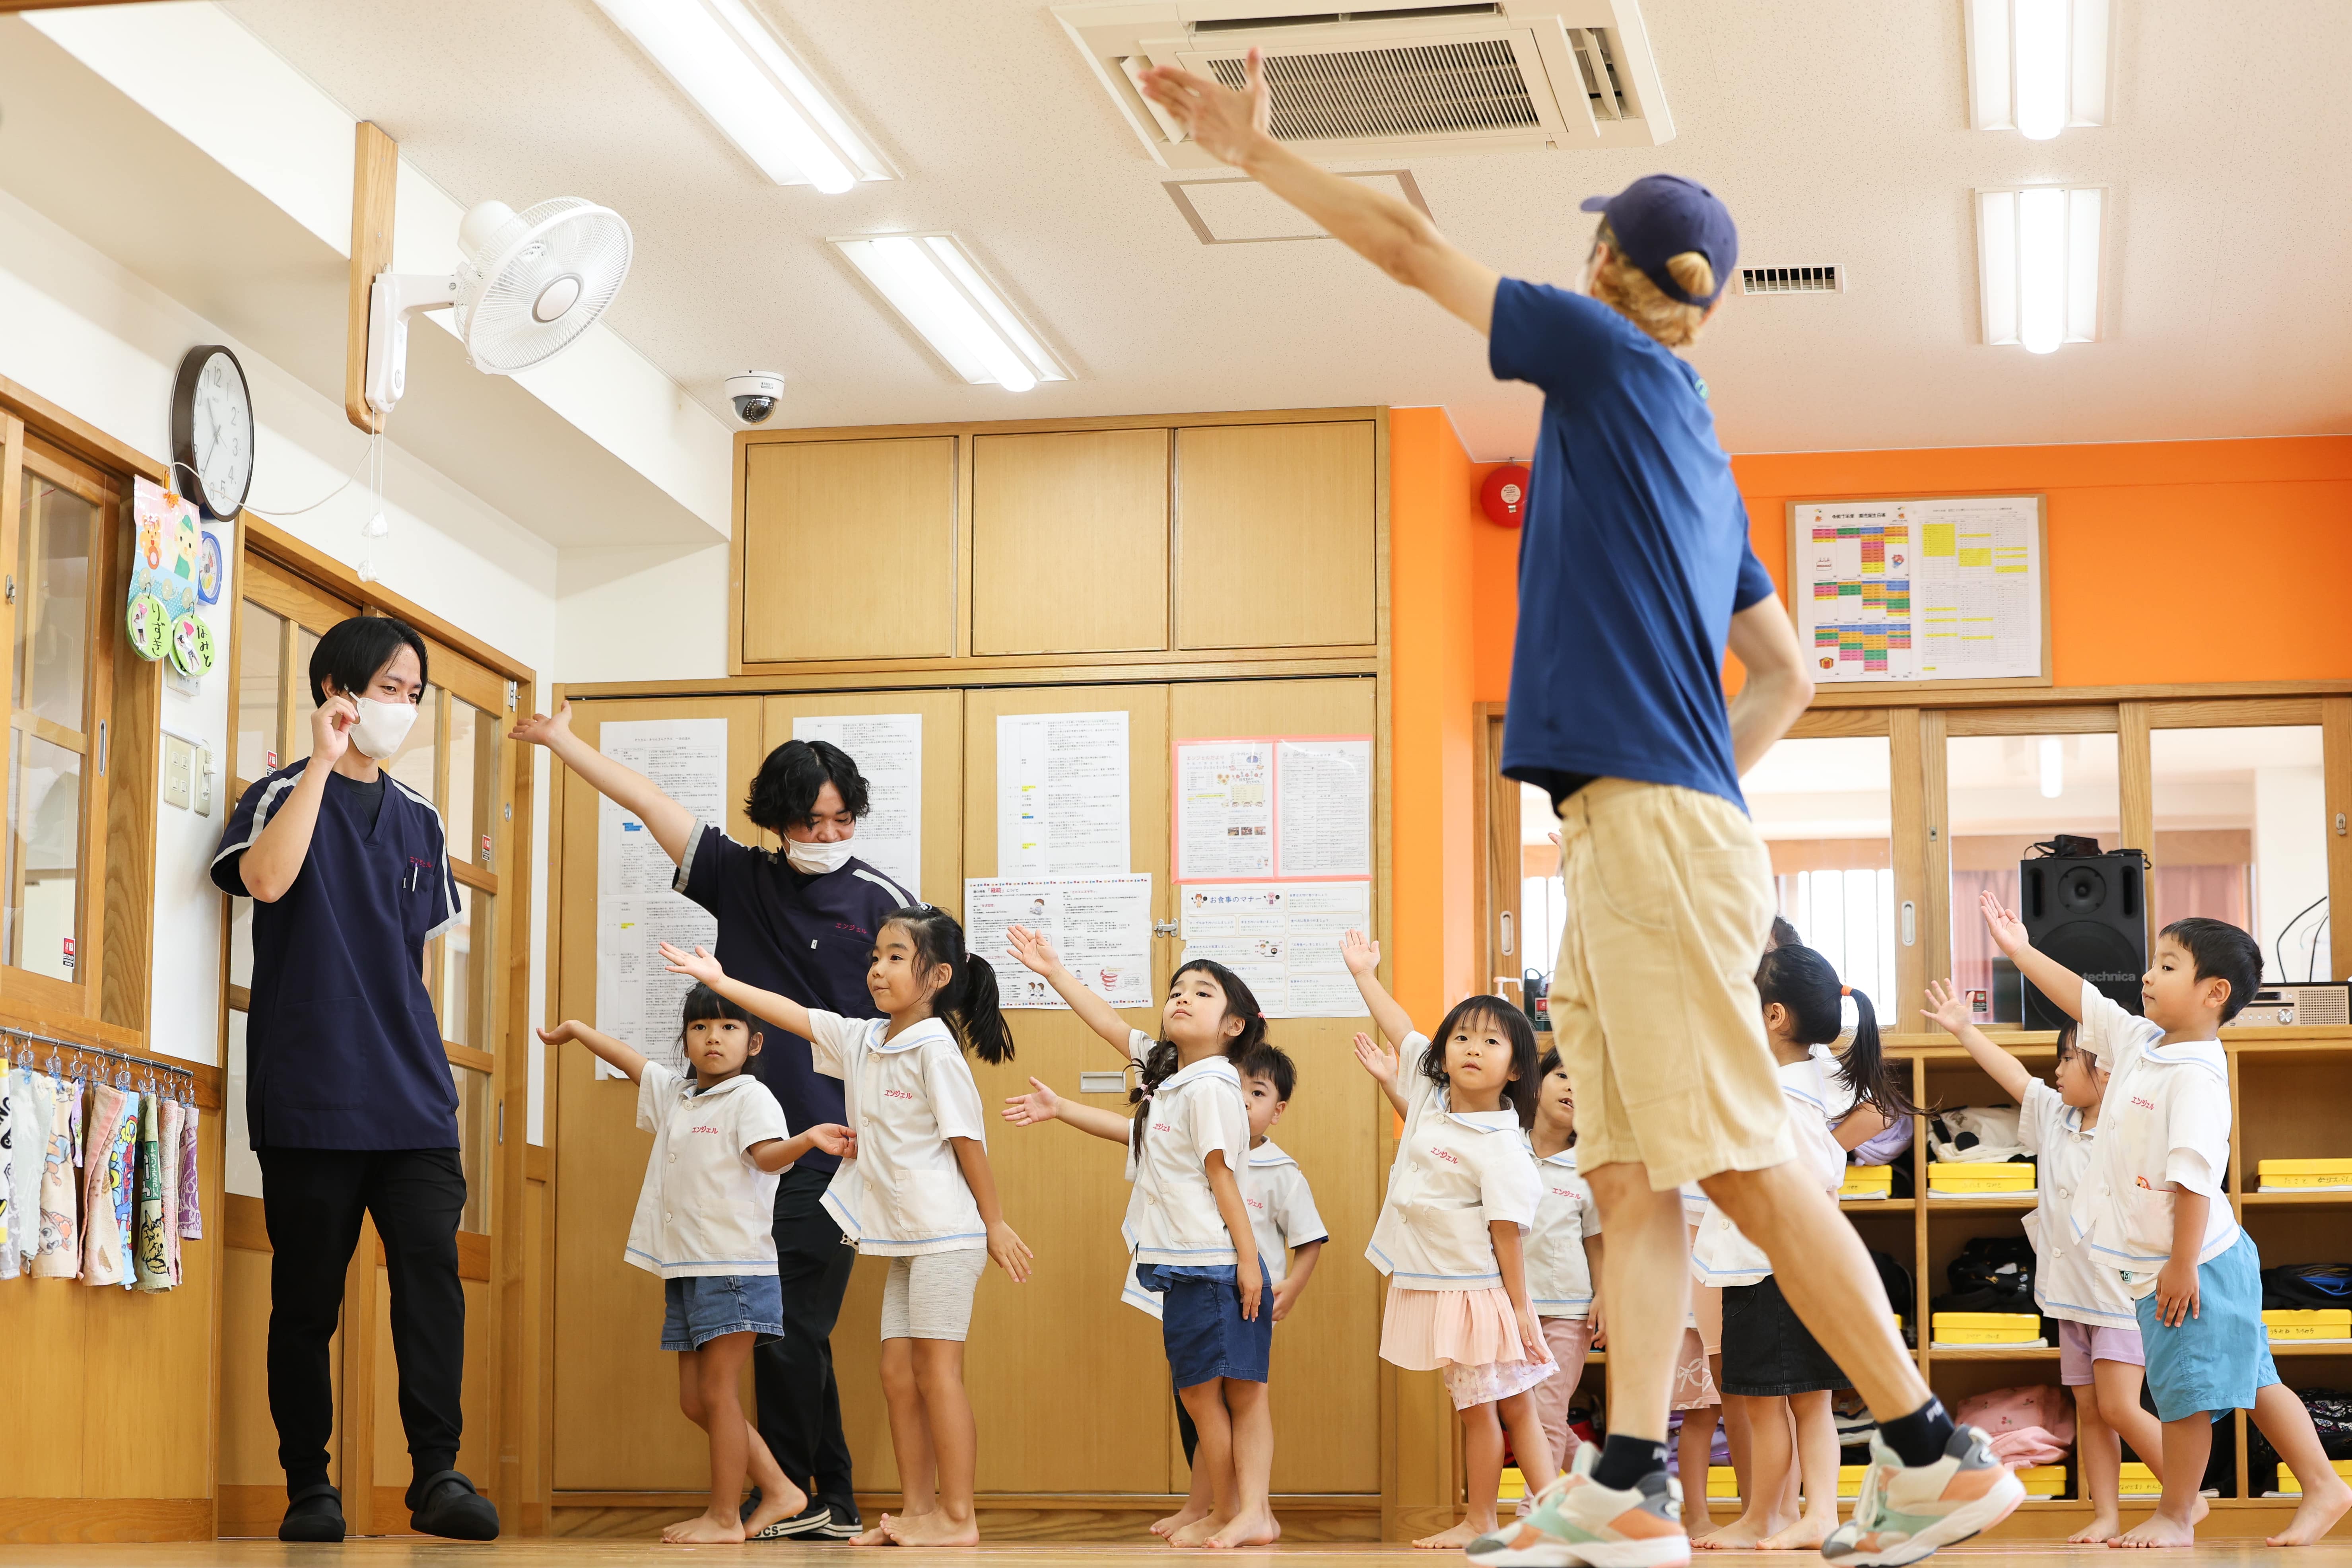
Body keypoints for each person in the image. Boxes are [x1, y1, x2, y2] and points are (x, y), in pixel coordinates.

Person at [1134, 51, 2016, 1568]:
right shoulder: (1700, 459)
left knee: (1737, 1151)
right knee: (1620, 1163)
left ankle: (1930, 1450)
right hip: (1628, 826)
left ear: (1607, 269)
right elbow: (1788, 676)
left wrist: (1247, 152)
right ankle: (1624, 1477)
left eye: (1588, 247)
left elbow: (1413, 252)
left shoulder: (1607, 362)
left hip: (1654, 826)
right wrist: (1681, 777)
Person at [510, 703, 910, 1537]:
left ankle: (804, 1494)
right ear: (777, 822)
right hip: (741, 1158)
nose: (827, 832)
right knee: (785, 1329)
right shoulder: (738, 876)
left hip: (831, 1153)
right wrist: (559, 742)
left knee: (791, 1325)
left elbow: (920, 1021)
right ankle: (825, 1496)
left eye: (842, 818)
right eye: (810, 820)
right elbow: (650, 801)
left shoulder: (882, 901)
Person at [212, 614, 499, 1544]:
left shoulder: (420, 818)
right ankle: (311, 1486)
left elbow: (409, 962)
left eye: (413, 693)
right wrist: (322, 762)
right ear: (337, 690)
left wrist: (427, 1070)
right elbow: (265, 880)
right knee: (306, 1297)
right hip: (311, 1089)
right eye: (387, 689)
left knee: (431, 1277)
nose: (402, 707)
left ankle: (437, 1474)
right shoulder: (281, 793)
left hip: (412, 1095)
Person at [1978, 894, 2352, 1549]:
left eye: (2168, 965)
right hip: (2174, 1261)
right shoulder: (2141, 1040)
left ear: (2215, 992)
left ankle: (2179, 1513)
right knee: (2254, 1380)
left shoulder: (2198, 1075)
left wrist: (2181, 1264)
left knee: (2185, 1393)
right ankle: (2324, 1484)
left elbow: (2194, 1175)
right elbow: (2085, 998)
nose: (2148, 975)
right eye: (2153, 962)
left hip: (2194, 1262)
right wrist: (2020, 949)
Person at [662, 907, 1030, 1547]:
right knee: (896, 1372)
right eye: (876, 956)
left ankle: (958, 1515)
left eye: (895, 957)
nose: (878, 968)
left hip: (948, 1235)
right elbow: (789, 1013)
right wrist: (719, 980)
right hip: (902, 1240)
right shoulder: (865, 1039)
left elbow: (969, 1141)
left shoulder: (936, 1049)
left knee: (936, 1371)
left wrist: (994, 1222)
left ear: (938, 975)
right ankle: (917, 1511)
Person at [999, 925, 1279, 1549]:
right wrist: (1055, 971)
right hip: (1191, 1265)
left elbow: (1222, 1177)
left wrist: (1248, 1262)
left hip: (1212, 1265)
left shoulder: (1208, 1083)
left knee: (1217, 1399)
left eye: (1201, 993)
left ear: (1232, 1024)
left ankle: (1241, 1510)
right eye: (1176, 989)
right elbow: (1110, 1028)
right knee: (1217, 1397)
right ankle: (1232, 1509)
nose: (1181, 997)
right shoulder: (1174, 1076)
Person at [538, 989, 853, 1543]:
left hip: (734, 1267)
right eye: (701, 1026)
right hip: (686, 1267)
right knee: (695, 1399)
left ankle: (726, 1515)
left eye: (729, 1026)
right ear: (685, 1039)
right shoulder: (679, 1095)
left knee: (717, 1392)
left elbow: (767, 1157)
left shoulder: (751, 1097)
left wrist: (806, 1139)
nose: (713, 1036)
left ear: (753, 1042)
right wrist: (578, 1029)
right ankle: (781, 1488)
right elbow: (632, 1061)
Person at [1917, 975, 2193, 1544]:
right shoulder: (2053, 1117)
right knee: (2090, 1409)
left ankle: (2184, 1500)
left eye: (2069, 1059)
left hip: (2119, 1293)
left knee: (2118, 1406)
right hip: (2069, 1293)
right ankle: (2106, 1513)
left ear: (2108, 1072)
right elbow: (2013, 1076)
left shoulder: (2130, 1125)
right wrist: (1965, 1028)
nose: (2056, 1071)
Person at [1343, 930, 1556, 1551]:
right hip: (1447, 1284)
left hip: (1476, 1292)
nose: (1471, 1047)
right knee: (1510, 1403)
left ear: (1515, 1068)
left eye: (1490, 1041)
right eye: (1461, 1036)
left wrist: (1518, 1308)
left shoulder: (1501, 1145)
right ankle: (1548, 1510)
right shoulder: (1435, 1101)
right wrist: (1363, 974)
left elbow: (1506, 1234)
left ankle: (1484, 1519)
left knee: (1483, 1408)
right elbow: (1400, 1028)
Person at [1691, 946, 1880, 1552]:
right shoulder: (1803, 1086)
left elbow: (1795, 1188)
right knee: (1808, 1403)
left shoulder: (1777, 1099)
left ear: (1772, 1016)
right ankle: (1805, 1512)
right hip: (1788, 1270)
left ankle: (1771, 1515)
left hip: (1769, 1271)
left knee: (1767, 1407)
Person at [1522, 1049, 1606, 1479]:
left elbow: (1596, 1243)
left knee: (1544, 1409)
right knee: (1531, 1413)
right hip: (1510, 1308)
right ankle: (1608, 1488)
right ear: (1535, 1084)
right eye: (1562, 1075)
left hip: (1567, 1311)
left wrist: (1604, 1296)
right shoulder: (1504, 1148)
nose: (1574, 1087)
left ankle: (1533, 1515)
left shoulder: (1588, 1169)